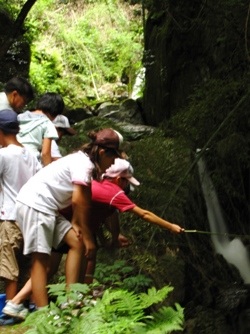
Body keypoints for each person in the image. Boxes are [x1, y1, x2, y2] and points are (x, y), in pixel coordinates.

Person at [3, 158, 184, 320]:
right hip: (58, 219)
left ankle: (24, 301)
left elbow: (98, 217)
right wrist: (171, 226)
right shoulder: (112, 191)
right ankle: (70, 300)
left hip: (60, 218)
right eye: (126, 182)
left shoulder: (97, 184)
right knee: (51, 263)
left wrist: (108, 239)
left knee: (54, 264)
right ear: (119, 179)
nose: (125, 187)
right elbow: (143, 214)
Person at [2, 128, 125, 315]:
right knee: (41, 259)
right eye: (113, 159)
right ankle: (43, 314)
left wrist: (78, 224)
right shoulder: (84, 163)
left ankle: (72, 300)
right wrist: (86, 232)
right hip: (35, 204)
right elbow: (77, 199)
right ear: (102, 153)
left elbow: (84, 198)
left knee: (76, 242)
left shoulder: (85, 162)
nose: (112, 164)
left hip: (47, 207)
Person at [0, 109, 41, 325]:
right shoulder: (30, 154)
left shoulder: (3, 155)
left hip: (9, 215)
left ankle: (8, 311)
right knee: (28, 264)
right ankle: (31, 306)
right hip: (30, 216)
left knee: (9, 267)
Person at [17, 93, 64, 166]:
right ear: (56, 113)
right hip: (30, 160)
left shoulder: (19, 117)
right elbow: (45, 154)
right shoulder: (47, 123)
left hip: (11, 154)